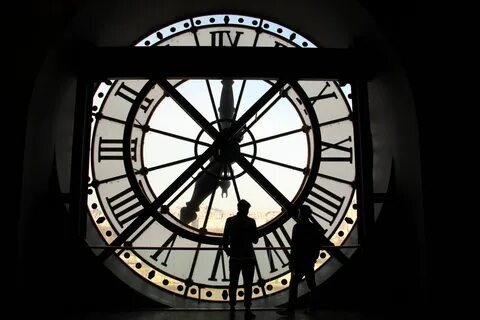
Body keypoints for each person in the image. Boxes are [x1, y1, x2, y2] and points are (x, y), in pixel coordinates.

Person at [277, 204, 322, 317]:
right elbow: (317, 244)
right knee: (311, 284)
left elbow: (295, 247)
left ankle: (291, 309)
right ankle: (312, 308)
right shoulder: (313, 228)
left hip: (299, 262)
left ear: (300, 214)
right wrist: (314, 257)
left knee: (293, 285)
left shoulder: (297, 227)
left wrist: (292, 262)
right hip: (308, 260)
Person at [223, 199, 258, 319]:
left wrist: (229, 251)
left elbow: (225, 240)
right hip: (249, 257)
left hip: (235, 257)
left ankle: (232, 306)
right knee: (248, 284)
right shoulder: (251, 222)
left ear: (238, 208)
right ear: (247, 209)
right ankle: (247, 308)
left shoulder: (230, 221)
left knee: (233, 283)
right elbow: (255, 240)